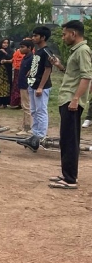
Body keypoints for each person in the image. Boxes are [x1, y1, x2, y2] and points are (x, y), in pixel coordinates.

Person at [48, 20, 92, 189]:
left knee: (70, 140)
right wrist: (59, 66)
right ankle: (67, 174)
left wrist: (75, 99)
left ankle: (70, 179)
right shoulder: (77, 51)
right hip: (67, 99)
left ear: (73, 34)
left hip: (71, 101)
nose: (63, 37)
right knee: (66, 139)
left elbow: (86, 76)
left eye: (64, 34)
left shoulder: (82, 51)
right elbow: (74, 75)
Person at [22, 27, 53, 145]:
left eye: (36, 36)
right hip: (32, 84)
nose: (33, 38)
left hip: (41, 86)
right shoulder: (38, 51)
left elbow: (48, 69)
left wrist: (40, 87)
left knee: (41, 110)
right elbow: (36, 65)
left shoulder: (46, 51)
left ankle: (41, 136)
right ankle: (34, 133)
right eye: (33, 35)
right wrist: (30, 73)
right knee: (34, 111)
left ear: (43, 37)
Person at [16, 39, 34, 135]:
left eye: (22, 47)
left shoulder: (32, 58)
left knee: (27, 107)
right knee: (24, 106)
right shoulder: (25, 57)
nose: (20, 49)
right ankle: (24, 125)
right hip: (22, 84)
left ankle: (27, 128)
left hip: (27, 85)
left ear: (29, 48)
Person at [10, 40, 26, 109]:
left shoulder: (30, 54)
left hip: (23, 70)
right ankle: (17, 102)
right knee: (16, 85)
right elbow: (13, 59)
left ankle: (21, 103)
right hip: (17, 69)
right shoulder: (17, 52)